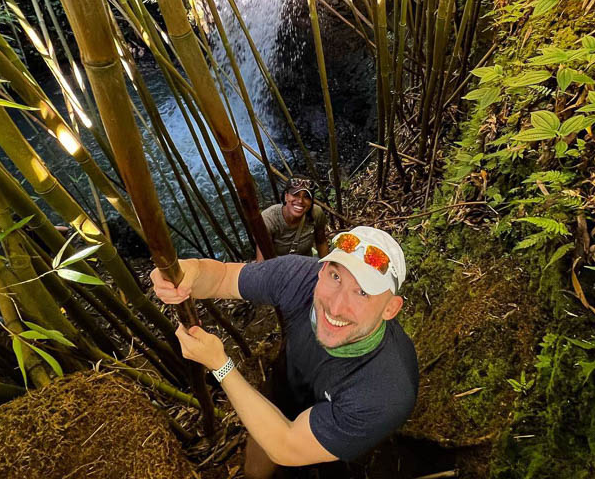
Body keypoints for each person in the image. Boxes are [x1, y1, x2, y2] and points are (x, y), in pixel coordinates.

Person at [151, 226, 419, 479]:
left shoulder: (387, 392)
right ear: (321, 270)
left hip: (340, 430)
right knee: (256, 470)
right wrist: (187, 273)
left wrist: (220, 364)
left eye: (362, 292)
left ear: (390, 309)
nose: (336, 307)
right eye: (335, 276)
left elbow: (286, 445)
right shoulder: (299, 277)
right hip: (282, 391)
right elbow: (223, 277)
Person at [256, 176, 329, 261]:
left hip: (306, 264)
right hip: (278, 268)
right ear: (286, 196)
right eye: (295, 195)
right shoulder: (269, 219)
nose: (300, 201)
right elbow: (262, 261)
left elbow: (321, 242)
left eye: (306, 197)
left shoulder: (316, 213)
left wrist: (326, 265)